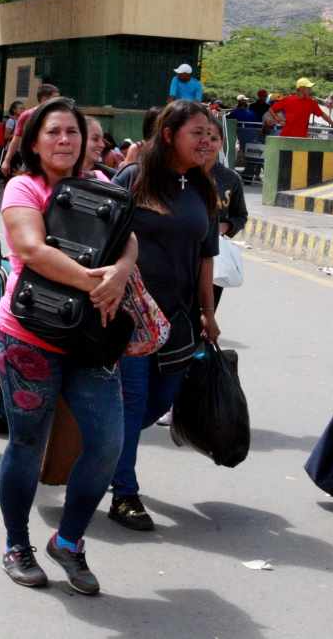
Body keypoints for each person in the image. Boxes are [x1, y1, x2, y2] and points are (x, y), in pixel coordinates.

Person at [0, 97, 137, 594]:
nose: (64, 141)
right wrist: (95, 283)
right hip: (29, 335)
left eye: (72, 133)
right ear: (34, 141)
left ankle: (69, 542)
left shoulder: (100, 185)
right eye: (53, 132)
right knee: (28, 444)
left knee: (105, 446)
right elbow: (32, 249)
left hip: (91, 338)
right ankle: (17, 544)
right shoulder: (23, 187)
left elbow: (127, 237)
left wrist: (119, 273)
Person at [106, 101, 219, 532]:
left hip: (179, 317)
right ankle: (124, 492)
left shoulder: (202, 189)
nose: (207, 141)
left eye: (210, 134)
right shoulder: (134, 179)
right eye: (197, 133)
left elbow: (206, 257)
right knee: (133, 402)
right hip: (130, 314)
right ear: (169, 135)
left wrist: (208, 312)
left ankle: (103, 452)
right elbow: (104, 236)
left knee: (162, 399)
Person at [205, 113, 248, 313]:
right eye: (203, 136)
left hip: (215, 255)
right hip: (185, 255)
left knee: (208, 310)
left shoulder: (231, 179)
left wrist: (226, 226)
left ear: (222, 142)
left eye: (214, 138)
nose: (208, 143)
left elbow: (241, 215)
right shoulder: (183, 174)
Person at [0, 83, 59, 176]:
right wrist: (6, 161)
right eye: (55, 98)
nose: (58, 102)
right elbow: (15, 140)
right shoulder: (27, 116)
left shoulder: (60, 116)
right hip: (32, 160)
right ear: (44, 99)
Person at [267, 78, 333, 138]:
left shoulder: (311, 102)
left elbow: (323, 115)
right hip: (286, 137)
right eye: (308, 88)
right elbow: (271, 109)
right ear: (301, 89)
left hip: (302, 138)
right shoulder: (288, 100)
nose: (310, 90)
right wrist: (278, 120)